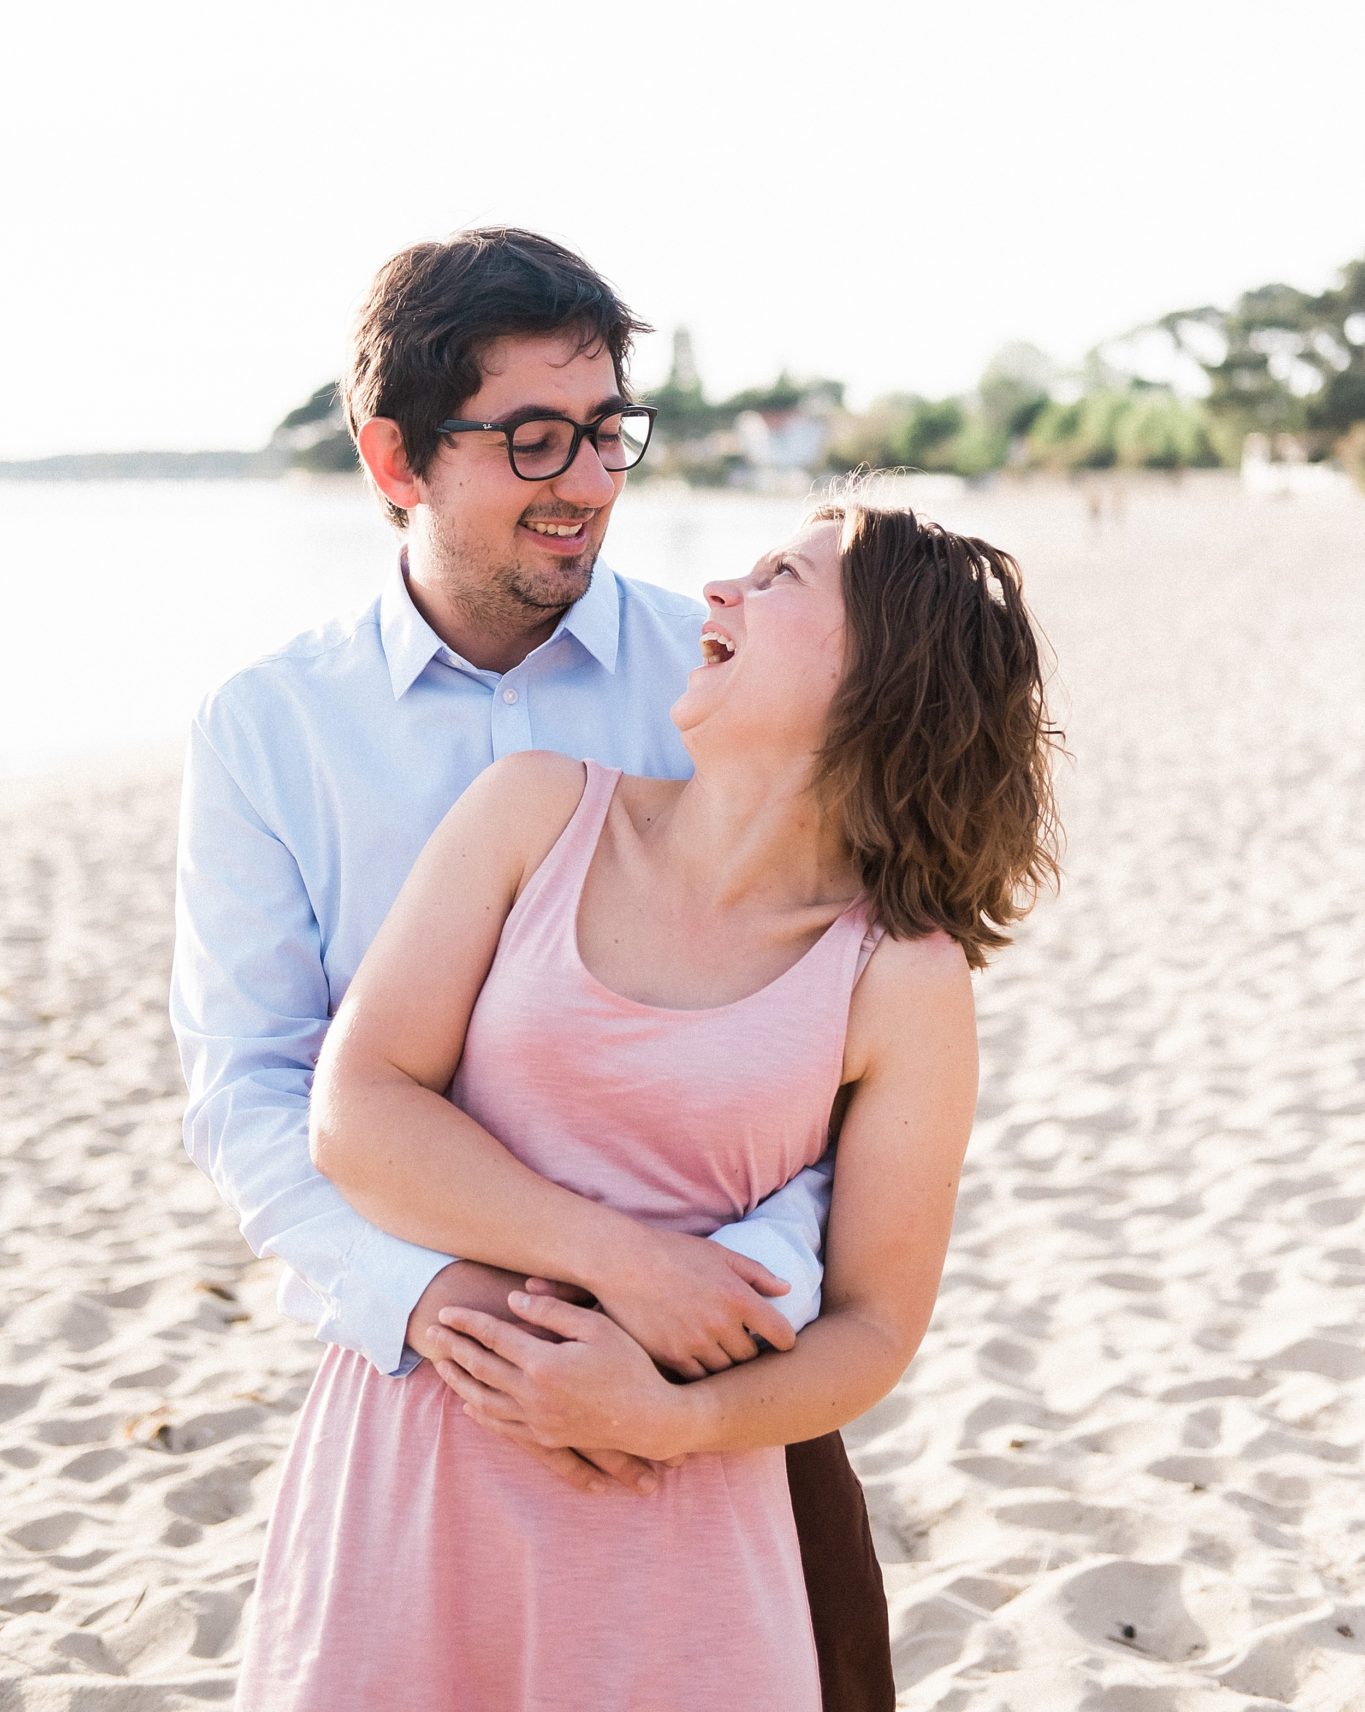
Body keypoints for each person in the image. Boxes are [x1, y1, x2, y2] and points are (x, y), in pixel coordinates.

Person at [171, 229, 895, 1709]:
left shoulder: (726, 678)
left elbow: (847, 1041)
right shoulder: (268, 729)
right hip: (418, 1379)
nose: (585, 483)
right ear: (396, 457)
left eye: (609, 432)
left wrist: (721, 1298)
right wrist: (425, 1292)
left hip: (704, 1380)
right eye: (532, 438)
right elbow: (250, 1085)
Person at [234, 492, 1060, 1710]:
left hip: (669, 1516)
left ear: (885, 675)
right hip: (417, 1455)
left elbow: (876, 1329)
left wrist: (673, 1422)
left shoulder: (900, 972)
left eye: (782, 577)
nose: (721, 588)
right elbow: (358, 1108)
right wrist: (627, 1264)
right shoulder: (537, 808)